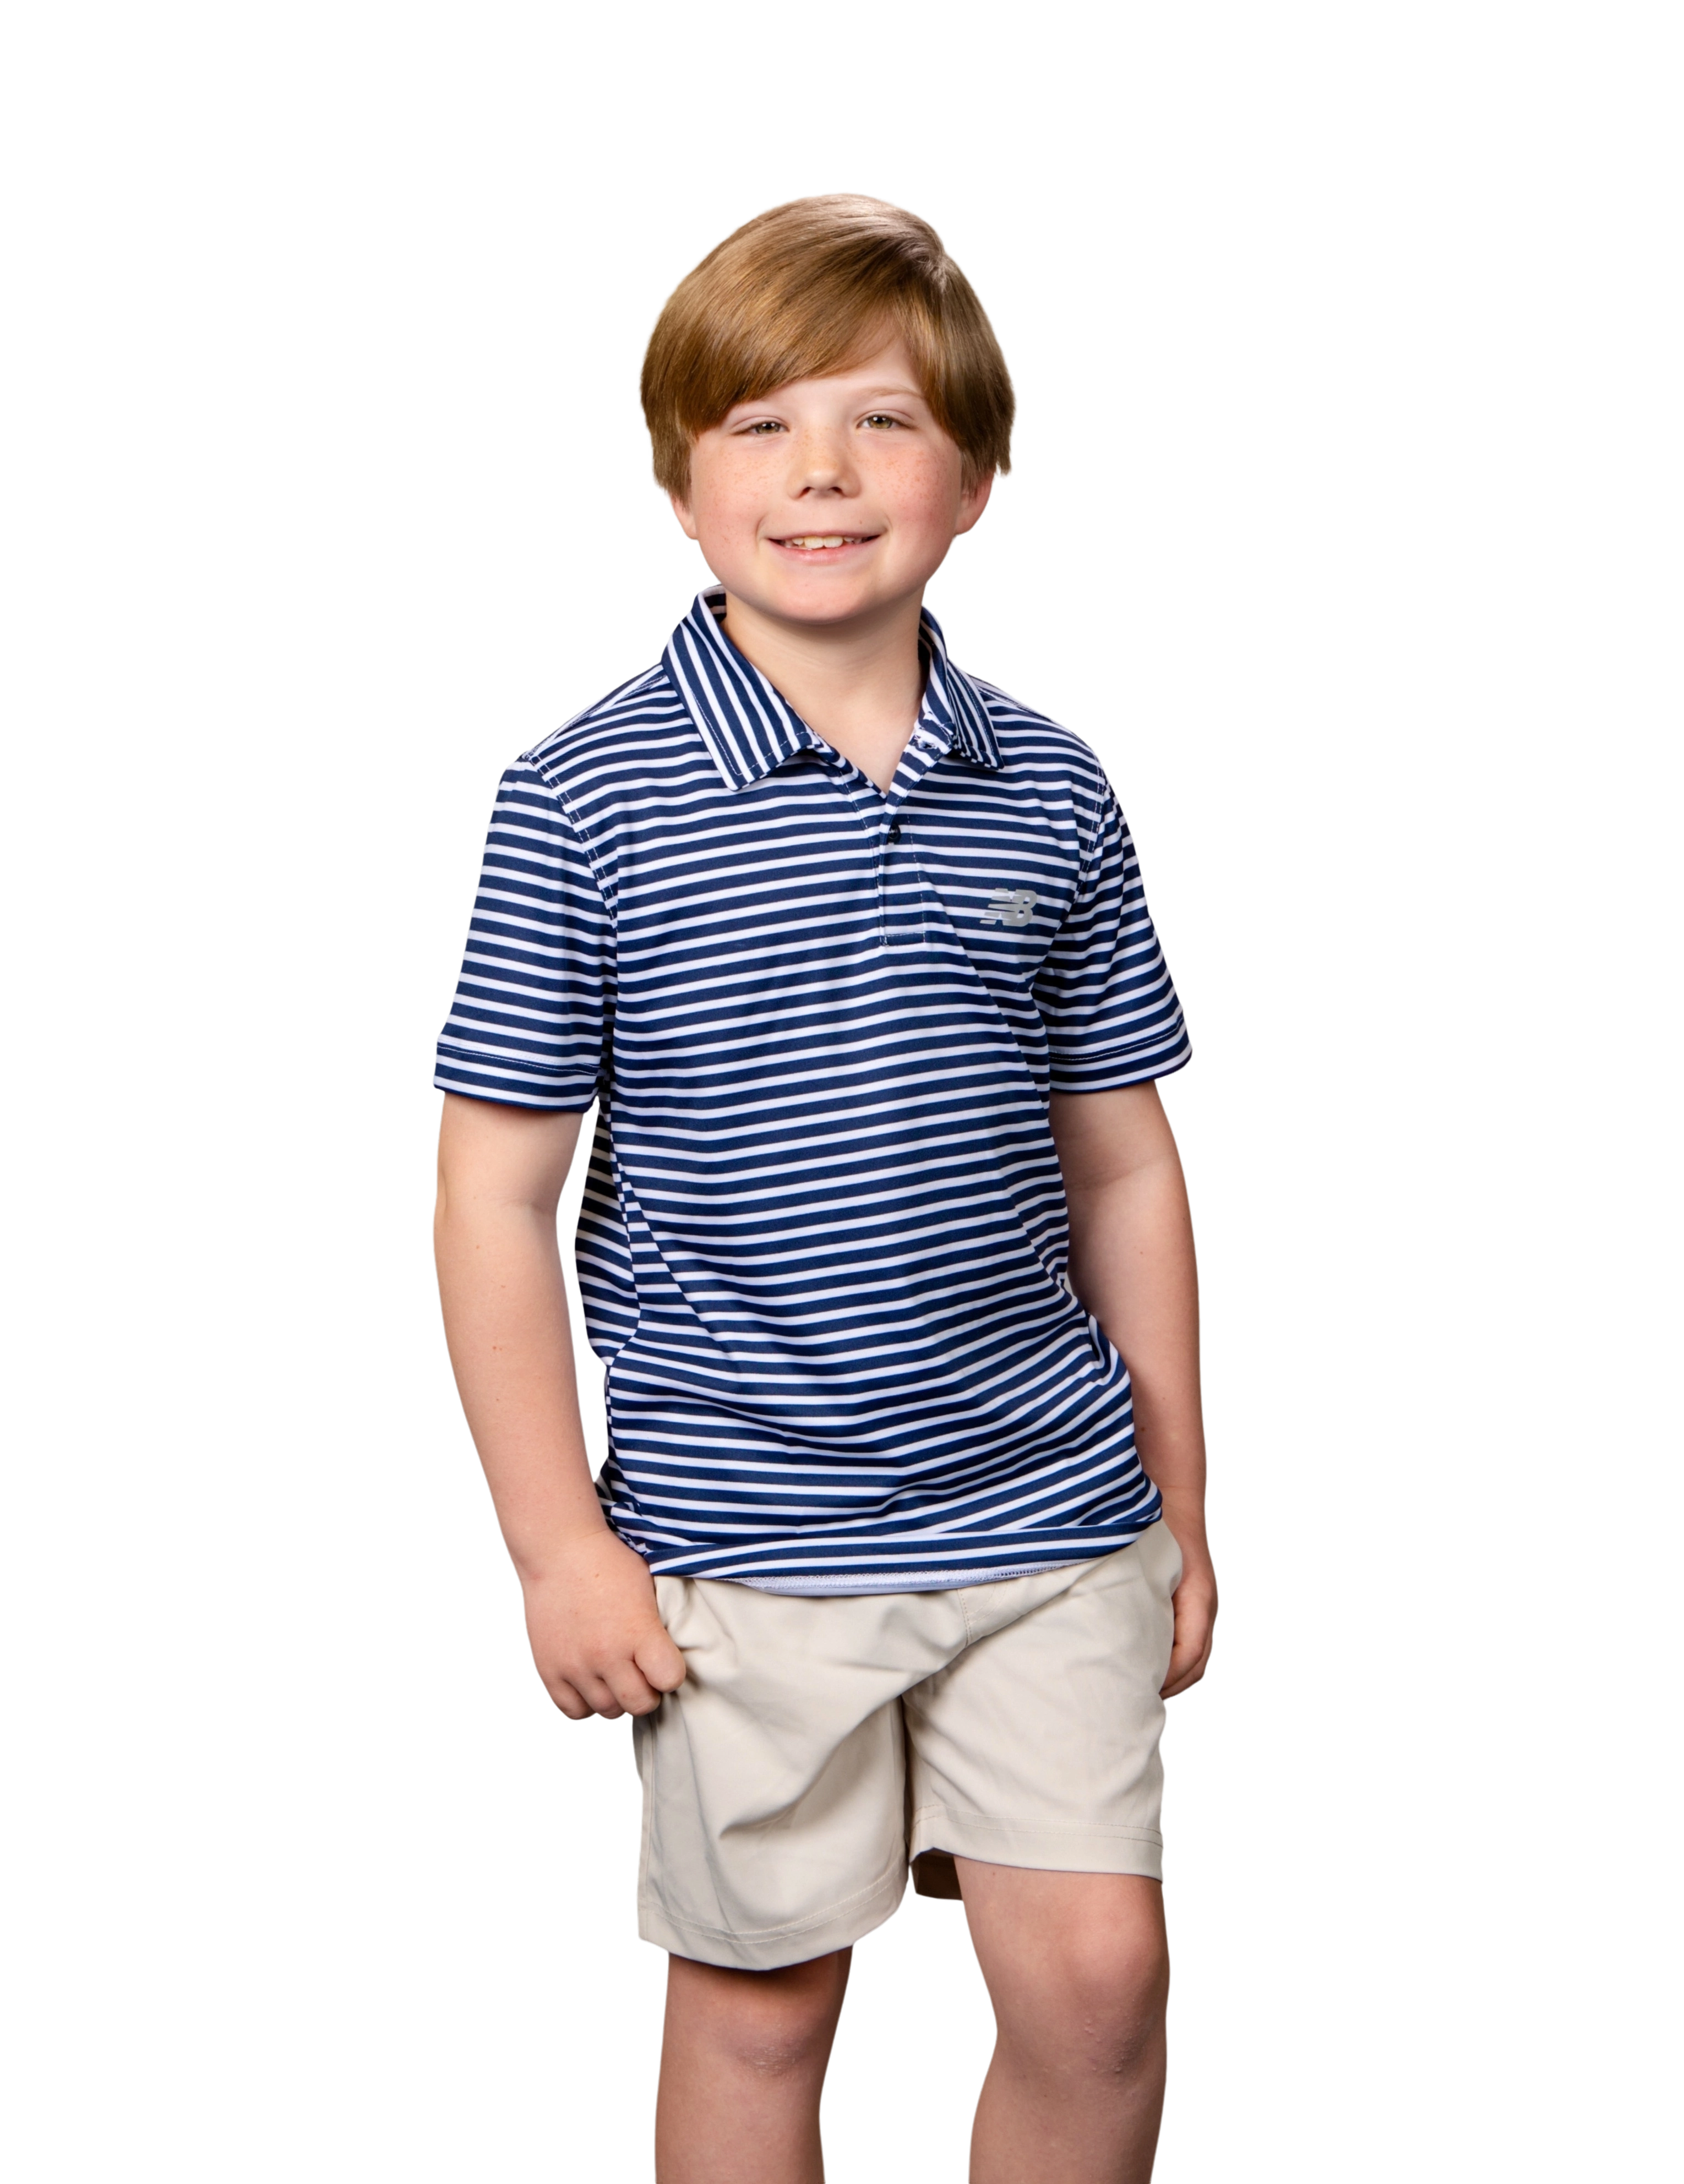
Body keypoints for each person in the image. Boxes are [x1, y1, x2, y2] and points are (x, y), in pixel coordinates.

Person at [428, 189, 1219, 2184]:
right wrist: (557, 1549)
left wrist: (1183, 1514)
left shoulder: (1052, 785)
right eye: (761, 424)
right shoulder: (583, 796)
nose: (822, 472)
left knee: (1097, 1981)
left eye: (883, 420)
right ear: (678, 490)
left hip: (1049, 1506)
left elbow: (1125, 1164)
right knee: (763, 2009)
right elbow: (492, 1206)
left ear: (976, 480)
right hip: (743, 1533)